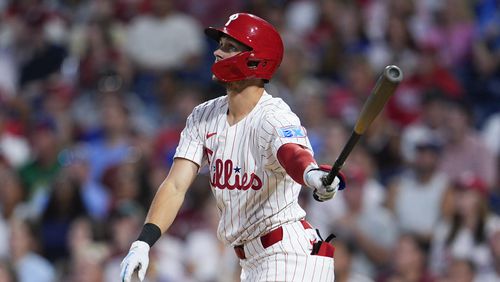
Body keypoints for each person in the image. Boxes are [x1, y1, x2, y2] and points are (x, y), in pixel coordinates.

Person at [120, 12, 346, 282]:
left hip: (288, 255)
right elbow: (176, 185)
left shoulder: (274, 115)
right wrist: (144, 242)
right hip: (251, 262)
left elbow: (293, 153)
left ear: (256, 59)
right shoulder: (202, 116)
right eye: (220, 45)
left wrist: (311, 174)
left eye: (229, 47)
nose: (217, 52)